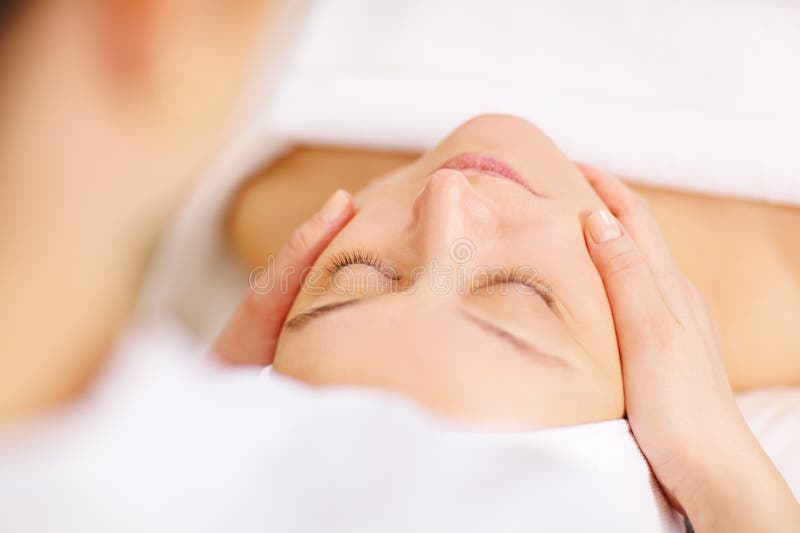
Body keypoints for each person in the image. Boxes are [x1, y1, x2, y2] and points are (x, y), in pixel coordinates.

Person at [215, 114, 800, 531]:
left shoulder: (254, 199)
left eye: (357, 276)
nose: (447, 194)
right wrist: (720, 467)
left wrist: (191, 405)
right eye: (519, 292)